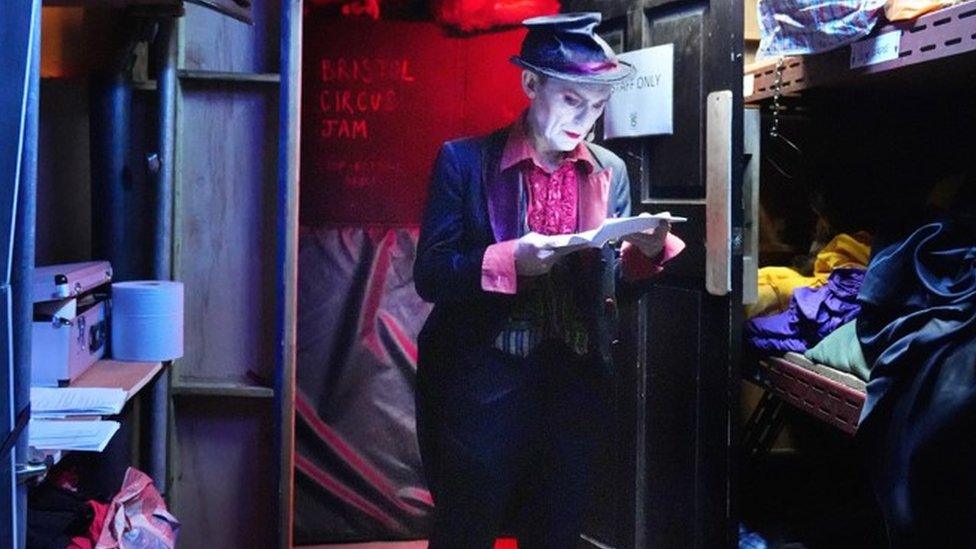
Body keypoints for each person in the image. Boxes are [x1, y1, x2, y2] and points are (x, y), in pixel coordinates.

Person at [413, 12, 685, 547]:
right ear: (531, 83)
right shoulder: (463, 162)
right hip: (481, 383)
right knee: (465, 529)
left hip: (573, 387)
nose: (583, 120)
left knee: (556, 532)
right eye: (570, 100)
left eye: (597, 106)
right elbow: (430, 276)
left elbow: (618, 290)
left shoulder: (612, 170)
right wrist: (508, 259)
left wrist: (646, 256)